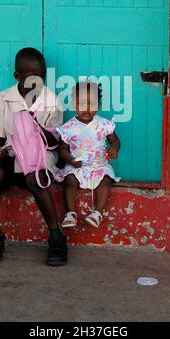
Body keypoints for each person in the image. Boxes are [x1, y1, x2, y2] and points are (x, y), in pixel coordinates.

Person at [0, 47, 67, 266]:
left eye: (41, 76)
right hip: (11, 154)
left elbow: (56, 143)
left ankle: (56, 238)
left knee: (34, 179)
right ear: (17, 76)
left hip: (40, 154)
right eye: (31, 77)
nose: (37, 81)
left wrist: (35, 123)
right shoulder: (3, 99)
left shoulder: (52, 101)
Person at [56, 81, 121, 229]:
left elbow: (115, 141)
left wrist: (114, 150)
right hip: (77, 166)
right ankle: (71, 213)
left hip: (99, 166)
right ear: (73, 104)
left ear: (98, 105)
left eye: (91, 104)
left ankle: (97, 213)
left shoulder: (104, 124)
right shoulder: (68, 127)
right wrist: (70, 160)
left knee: (106, 179)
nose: (86, 108)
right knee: (70, 180)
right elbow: (62, 149)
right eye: (81, 103)